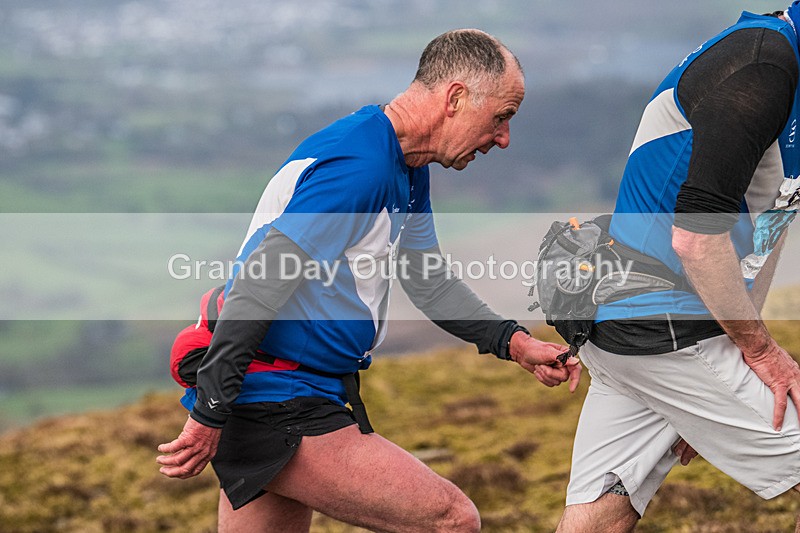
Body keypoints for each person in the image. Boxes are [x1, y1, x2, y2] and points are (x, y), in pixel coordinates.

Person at [157, 29, 581, 532]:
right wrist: (210, 412)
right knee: (451, 520)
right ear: (456, 98)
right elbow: (258, 283)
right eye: (502, 117)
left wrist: (514, 342)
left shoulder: (404, 163)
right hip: (277, 397)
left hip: (287, 388)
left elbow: (426, 278)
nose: (504, 138)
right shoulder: (362, 168)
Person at [556, 5, 800, 532]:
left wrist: (732, 361)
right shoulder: (762, 64)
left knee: (600, 514)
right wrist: (759, 350)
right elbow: (695, 239)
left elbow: (770, 221)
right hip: (663, 327)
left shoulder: (782, 67)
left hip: (635, 328)